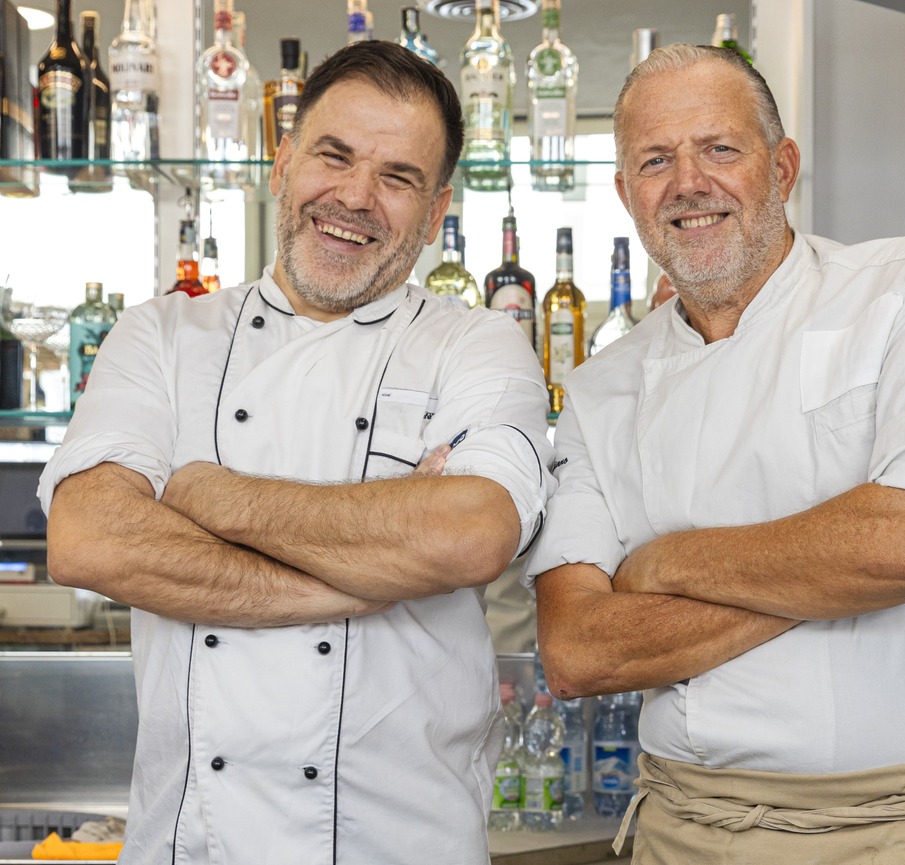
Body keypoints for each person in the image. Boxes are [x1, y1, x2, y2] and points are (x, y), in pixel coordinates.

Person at [526, 44, 905, 864]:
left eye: (721, 149)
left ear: (782, 168)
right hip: (691, 831)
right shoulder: (601, 390)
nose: (689, 183)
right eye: (655, 160)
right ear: (627, 194)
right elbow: (578, 650)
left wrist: (665, 561)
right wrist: (841, 572)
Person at [40, 41, 554, 865]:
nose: (354, 197)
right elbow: (89, 538)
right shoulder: (163, 335)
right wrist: (367, 572)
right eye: (333, 155)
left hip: (401, 844)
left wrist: (207, 494)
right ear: (283, 162)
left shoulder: (480, 344)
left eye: (397, 177)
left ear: (436, 210)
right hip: (192, 845)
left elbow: (469, 535)